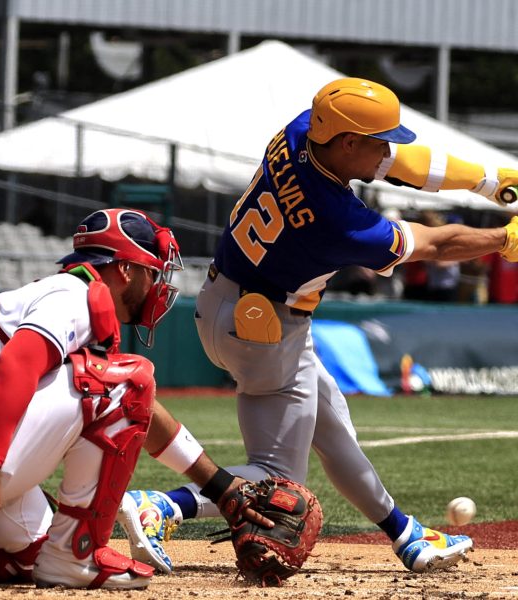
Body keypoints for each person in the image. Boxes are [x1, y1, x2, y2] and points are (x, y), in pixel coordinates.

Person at [120, 78, 518, 575]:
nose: (388, 151)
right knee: (278, 475)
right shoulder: (336, 221)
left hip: (237, 305)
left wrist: (492, 180)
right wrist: (503, 239)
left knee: (333, 428)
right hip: (263, 330)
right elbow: (435, 244)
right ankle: (162, 504)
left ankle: (406, 534)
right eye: (380, 141)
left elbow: (406, 165)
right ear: (349, 142)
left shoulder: (304, 130)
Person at [0, 208, 268, 590]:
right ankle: (79, 554)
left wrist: (220, 486)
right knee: (129, 381)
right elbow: (16, 367)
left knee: (34, 554)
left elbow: (144, 413)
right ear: (125, 270)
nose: (158, 284)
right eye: (152, 272)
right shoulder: (75, 295)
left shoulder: (57, 295)